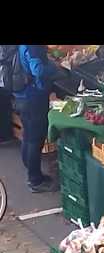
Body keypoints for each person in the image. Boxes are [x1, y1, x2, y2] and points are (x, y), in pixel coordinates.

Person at [12, 45, 58, 193]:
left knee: (28, 136)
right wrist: (54, 67)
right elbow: (37, 70)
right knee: (35, 139)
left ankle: (32, 172)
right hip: (33, 96)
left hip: (21, 95)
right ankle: (35, 180)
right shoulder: (32, 46)